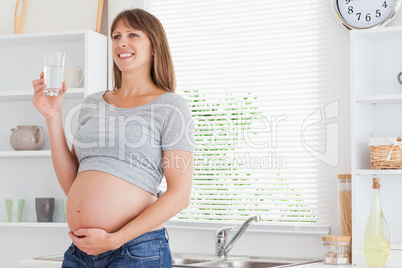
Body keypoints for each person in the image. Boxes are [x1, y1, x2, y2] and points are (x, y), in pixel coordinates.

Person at [32, 8, 195, 268]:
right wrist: (53, 116)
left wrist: (115, 239)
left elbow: (179, 195)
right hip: (81, 251)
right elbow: (71, 184)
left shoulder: (172, 107)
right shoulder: (93, 103)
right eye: (116, 36)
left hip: (135, 249)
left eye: (133, 34)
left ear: (154, 47)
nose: (122, 42)